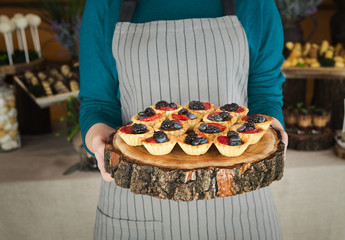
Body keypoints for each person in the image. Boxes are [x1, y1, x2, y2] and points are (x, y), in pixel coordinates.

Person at [79, 0, 288, 239]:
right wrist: (98, 140)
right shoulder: (105, 4)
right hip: (136, 206)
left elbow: (264, 92)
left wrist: (271, 130)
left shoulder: (255, 3)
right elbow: (98, 103)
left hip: (242, 209)